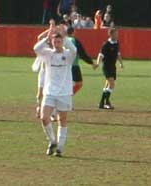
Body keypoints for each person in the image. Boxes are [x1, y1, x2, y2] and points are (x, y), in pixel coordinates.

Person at [33, 23, 77, 157]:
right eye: (55, 41)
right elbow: (36, 48)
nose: (57, 43)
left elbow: (74, 49)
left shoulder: (68, 55)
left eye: (59, 41)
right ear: (52, 42)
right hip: (50, 92)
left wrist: (64, 35)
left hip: (64, 92)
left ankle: (60, 148)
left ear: (62, 41)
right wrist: (48, 35)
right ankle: (52, 141)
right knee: (44, 117)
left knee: (62, 119)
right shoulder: (47, 54)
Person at [96, 28, 124, 109]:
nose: (117, 35)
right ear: (111, 34)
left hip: (113, 67)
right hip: (106, 67)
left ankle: (103, 103)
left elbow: (118, 54)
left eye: (117, 33)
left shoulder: (117, 43)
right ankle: (105, 102)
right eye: (115, 34)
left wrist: (121, 63)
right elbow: (100, 55)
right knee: (112, 85)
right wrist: (98, 63)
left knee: (107, 85)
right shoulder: (106, 44)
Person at [66, 27, 99, 95]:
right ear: (73, 32)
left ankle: (65, 97)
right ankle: (66, 97)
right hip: (73, 65)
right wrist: (92, 63)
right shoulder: (74, 41)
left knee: (65, 83)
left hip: (63, 66)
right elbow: (82, 54)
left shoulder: (63, 40)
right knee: (79, 84)